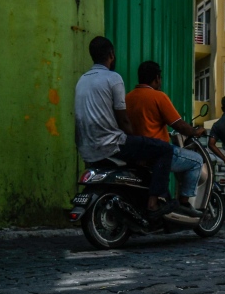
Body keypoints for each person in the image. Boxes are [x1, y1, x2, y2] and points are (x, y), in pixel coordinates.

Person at [73, 36, 173, 213]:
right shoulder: (113, 78)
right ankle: (154, 202)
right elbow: (123, 120)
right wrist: (137, 141)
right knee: (165, 149)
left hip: (87, 149)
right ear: (111, 55)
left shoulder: (82, 81)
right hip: (112, 145)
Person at [126, 60, 205, 216]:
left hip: (138, 152)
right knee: (196, 160)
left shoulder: (128, 98)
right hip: (159, 152)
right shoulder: (158, 97)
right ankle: (184, 203)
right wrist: (195, 132)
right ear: (156, 78)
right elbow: (179, 125)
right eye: (160, 78)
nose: (160, 82)